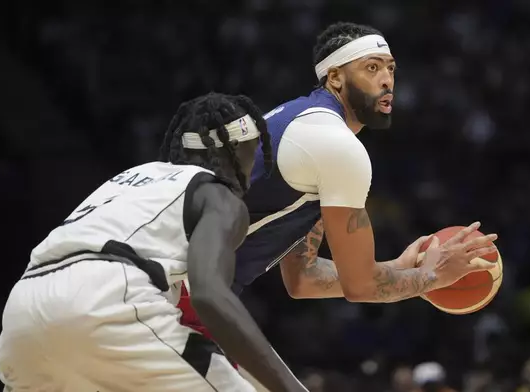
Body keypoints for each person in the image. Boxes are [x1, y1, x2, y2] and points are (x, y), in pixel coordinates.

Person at [178, 21, 499, 354]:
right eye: (371, 68)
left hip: (167, 282)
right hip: (174, 288)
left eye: (390, 69)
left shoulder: (301, 121)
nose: (387, 80)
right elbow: (360, 287)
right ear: (335, 78)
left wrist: (398, 268)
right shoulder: (333, 143)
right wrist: (433, 278)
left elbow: (304, 278)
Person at [0, 93, 310, 392]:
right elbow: (211, 297)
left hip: (23, 312)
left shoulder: (132, 178)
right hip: (107, 298)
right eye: (253, 152)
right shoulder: (219, 198)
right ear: (235, 151)